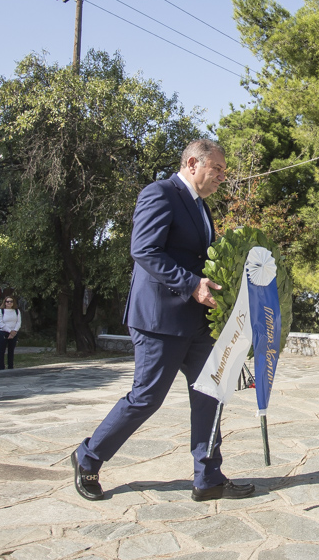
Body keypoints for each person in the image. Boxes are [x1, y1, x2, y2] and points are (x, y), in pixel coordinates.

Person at [71, 139, 255, 502]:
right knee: (147, 398)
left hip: (197, 322)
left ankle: (208, 477)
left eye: (223, 171)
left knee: (210, 395)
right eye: (216, 169)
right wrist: (191, 285)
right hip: (159, 320)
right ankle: (88, 456)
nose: (221, 176)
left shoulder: (202, 208)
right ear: (191, 163)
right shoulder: (160, 193)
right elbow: (143, 249)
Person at [0, 296, 22, 371]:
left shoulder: (17, 311)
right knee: (2, 350)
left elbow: (18, 322)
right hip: (3, 332)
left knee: (11, 350)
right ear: (5, 303)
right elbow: (0, 323)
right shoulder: (0, 311)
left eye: (11, 301)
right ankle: (2, 367)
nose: (9, 303)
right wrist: (10, 331)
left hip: (14, 333)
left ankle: (10, 366)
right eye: (7, 301)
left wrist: (14, 331)